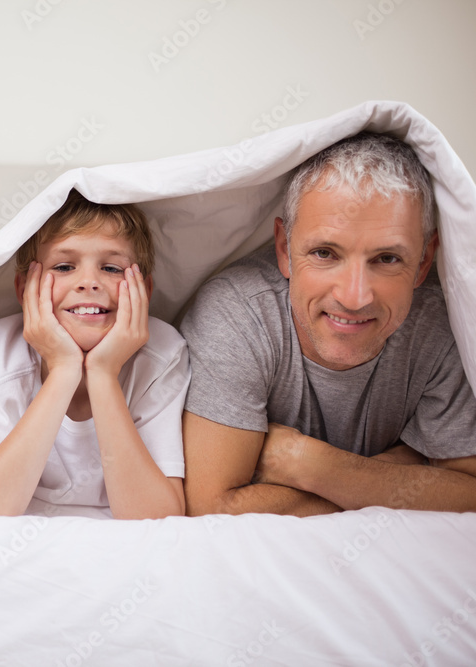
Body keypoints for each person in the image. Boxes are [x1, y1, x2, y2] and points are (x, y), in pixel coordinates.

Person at [181, 132, 476, 517]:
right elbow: (213, 506)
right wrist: (396, 472)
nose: (354, 298)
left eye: (387, 259)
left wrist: (308, 463)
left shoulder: (445, 321)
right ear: (285, 250)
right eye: (325, 253)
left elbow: (468, 492)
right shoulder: (239, 314)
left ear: (423, 263)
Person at [0, 190, 189, 519]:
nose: (89, 282)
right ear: (24, 289)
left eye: (111, 268)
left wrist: (104, 374)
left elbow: (157, 519)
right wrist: (64, 370)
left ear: (144, 292)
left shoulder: (163, 355)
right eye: (64, 266)